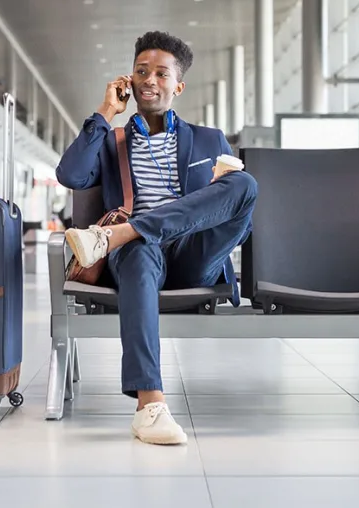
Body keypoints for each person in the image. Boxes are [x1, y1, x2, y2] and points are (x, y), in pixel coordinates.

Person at [56, 31, 258, 446]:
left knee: (245, 184)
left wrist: (213, 198)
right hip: (137, 257)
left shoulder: (208, 139)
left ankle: (116, 235)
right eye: (141, 71)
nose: (149, 80)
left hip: (192, 252)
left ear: (178, 85)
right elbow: (71, 176)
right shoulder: (112, 141)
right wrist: (105, 112)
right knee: (138, 249)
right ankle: (150, 405)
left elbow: (236, 210)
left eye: (161, 74)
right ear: (128, 80)